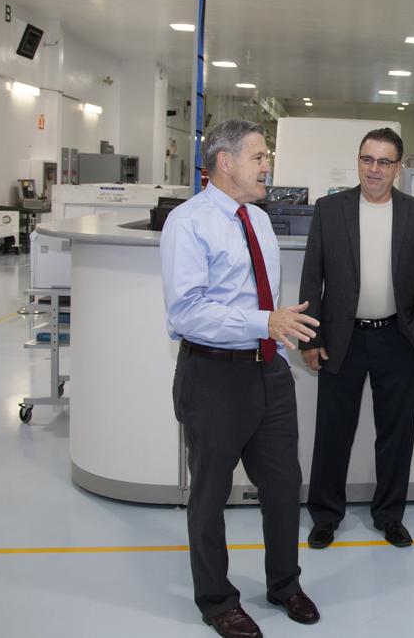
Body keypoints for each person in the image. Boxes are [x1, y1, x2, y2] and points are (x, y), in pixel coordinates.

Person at [160, 119, 321, 637]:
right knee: (210, 493)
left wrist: (275, 329)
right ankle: (216, 600)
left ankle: (284, 584)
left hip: (268, 371)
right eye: (258, 156)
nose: (267, 165)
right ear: (224, 162)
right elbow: (185, 311)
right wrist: (263, 321)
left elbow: (261, 297)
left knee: (283, 484)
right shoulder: (189, 222)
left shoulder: (259, 219)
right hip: (213, 375)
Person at [300, 127, 414, 548]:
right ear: (358, 160)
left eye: (383, 161)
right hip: (342, 339)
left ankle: (389, 515)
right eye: (366, 159)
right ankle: (325, 515)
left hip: (397, 339)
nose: (373, 169)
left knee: (396, 434)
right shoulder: (330, 209)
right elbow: (313, 277)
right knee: (332, 431)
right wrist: (311, 338)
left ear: (398, 167)